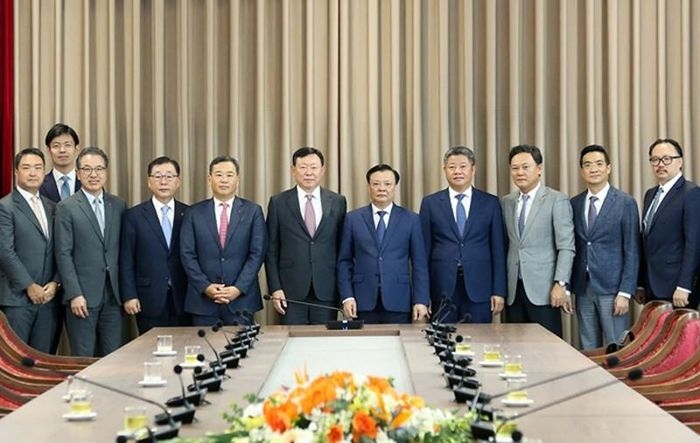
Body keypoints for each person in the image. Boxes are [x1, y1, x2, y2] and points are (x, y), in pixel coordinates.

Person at [419, 146, 506, 324]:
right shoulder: (430, 203)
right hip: (441, 286)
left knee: (479, 341)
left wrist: (499, 291)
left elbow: (498, 250)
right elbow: (423, 253)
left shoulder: (490, 203)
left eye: (463, 166)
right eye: (451, 167)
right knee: (443, 343)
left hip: (480, 287)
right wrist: (423, 294)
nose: (457, 171)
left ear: (473, 169)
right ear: (444, 170)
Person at [55, 147, 126, 356]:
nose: (93, 175)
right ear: (78, 174)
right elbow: (63, 254)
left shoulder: (118, 204)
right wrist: (74, 293)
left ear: (106, 172)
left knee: (113, 358)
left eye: (99, 169)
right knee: (83, 359)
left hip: (113, 296)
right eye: (87, 169)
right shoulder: (66, 207)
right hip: (82, 297)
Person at [180, 155, 267, 326]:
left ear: (238, 180)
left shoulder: (253, 211)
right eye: (219, 174)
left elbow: (257, 254)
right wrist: (205, 286)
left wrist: (238, 288)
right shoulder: (193, 213)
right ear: (209, 179)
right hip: (203, 302)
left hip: (241, 301)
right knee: (204, 351)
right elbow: (187, 254)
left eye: (229, 175)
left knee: (242, 351)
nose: (224, 180)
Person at [337, 164, 429, 324]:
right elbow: (344, 261)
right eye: (376, 184)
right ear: (369, 187)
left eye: (387, 184)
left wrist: (421, 300)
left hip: (399, 300)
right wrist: (347, 296)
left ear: (395, 187)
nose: (382, 188)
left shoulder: (411, 219)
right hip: (361, 301)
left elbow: (419, 263)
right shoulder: (353, 219)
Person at [265, 147, 347, 324]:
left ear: (323, 170)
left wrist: (344, 291)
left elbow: (343, 249)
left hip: (327, 288)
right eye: (302, 167)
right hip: (290, 292)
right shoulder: (278, 202)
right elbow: (271, 250)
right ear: (293, 170)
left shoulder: (338, 202)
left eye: (314, 167)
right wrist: (275, 288)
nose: (308, 172)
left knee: (324, 345)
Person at [570, 145, 640, 349]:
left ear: (608, 168)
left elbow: (632, 250)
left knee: (615, 348)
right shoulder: (574, 203)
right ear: (582, 170)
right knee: (588, 347)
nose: (594, 169)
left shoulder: (625, 202)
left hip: (613, 290)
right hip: (583, 287)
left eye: (599, 164)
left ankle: (616, 382)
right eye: (588, 165)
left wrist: (625, 292)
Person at [501, 145, 575, 337]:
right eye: (515, 168)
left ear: (539, 169)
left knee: (547, 350)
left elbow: (566, 246)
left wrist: (561, 283)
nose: (520, 172)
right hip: (513, 290)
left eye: (526, 167)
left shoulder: (556, 199)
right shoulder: (506, 202)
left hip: (545, 290)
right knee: (514, 349)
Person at [119, 156, 191, 333]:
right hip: (147, 298)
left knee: (184, 350)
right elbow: (126, 259)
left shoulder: (189, 214)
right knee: (150, 352)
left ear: (178, 182)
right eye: (158, 176)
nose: (163, 182)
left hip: (183, 296)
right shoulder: (134, 216)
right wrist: (129, 295)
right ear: (149, 182)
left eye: (169, 176)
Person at [0, 148, 60, 353]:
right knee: (17, 364)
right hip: (17, 301)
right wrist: (28, 286)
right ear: (16, 171)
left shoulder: (52, 207)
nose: (33, 173)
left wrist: (55, 282)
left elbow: (60, 250)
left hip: (48, 299)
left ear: (44, 172)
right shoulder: (5, 207)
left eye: (38, 168)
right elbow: (5, 252)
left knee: (43, 363)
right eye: (26, 168)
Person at [637, 138, 700, 309]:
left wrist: (684, 285)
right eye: (655, 160)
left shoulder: (691, 193)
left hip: (677, 288)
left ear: (680, 162)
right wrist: (641, 283)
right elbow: (647, 241)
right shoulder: (650, 194)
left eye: (667, 159)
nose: (660, 164)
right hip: (652, 285)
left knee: (681, 335)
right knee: (656, 335)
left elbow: (694, 244)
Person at [40, 123, 82, 202]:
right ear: (48, 150)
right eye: (56, 146)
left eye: (67, 145)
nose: (62, 150)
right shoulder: (39, 184)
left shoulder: (87, 182)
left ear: (76, 149)